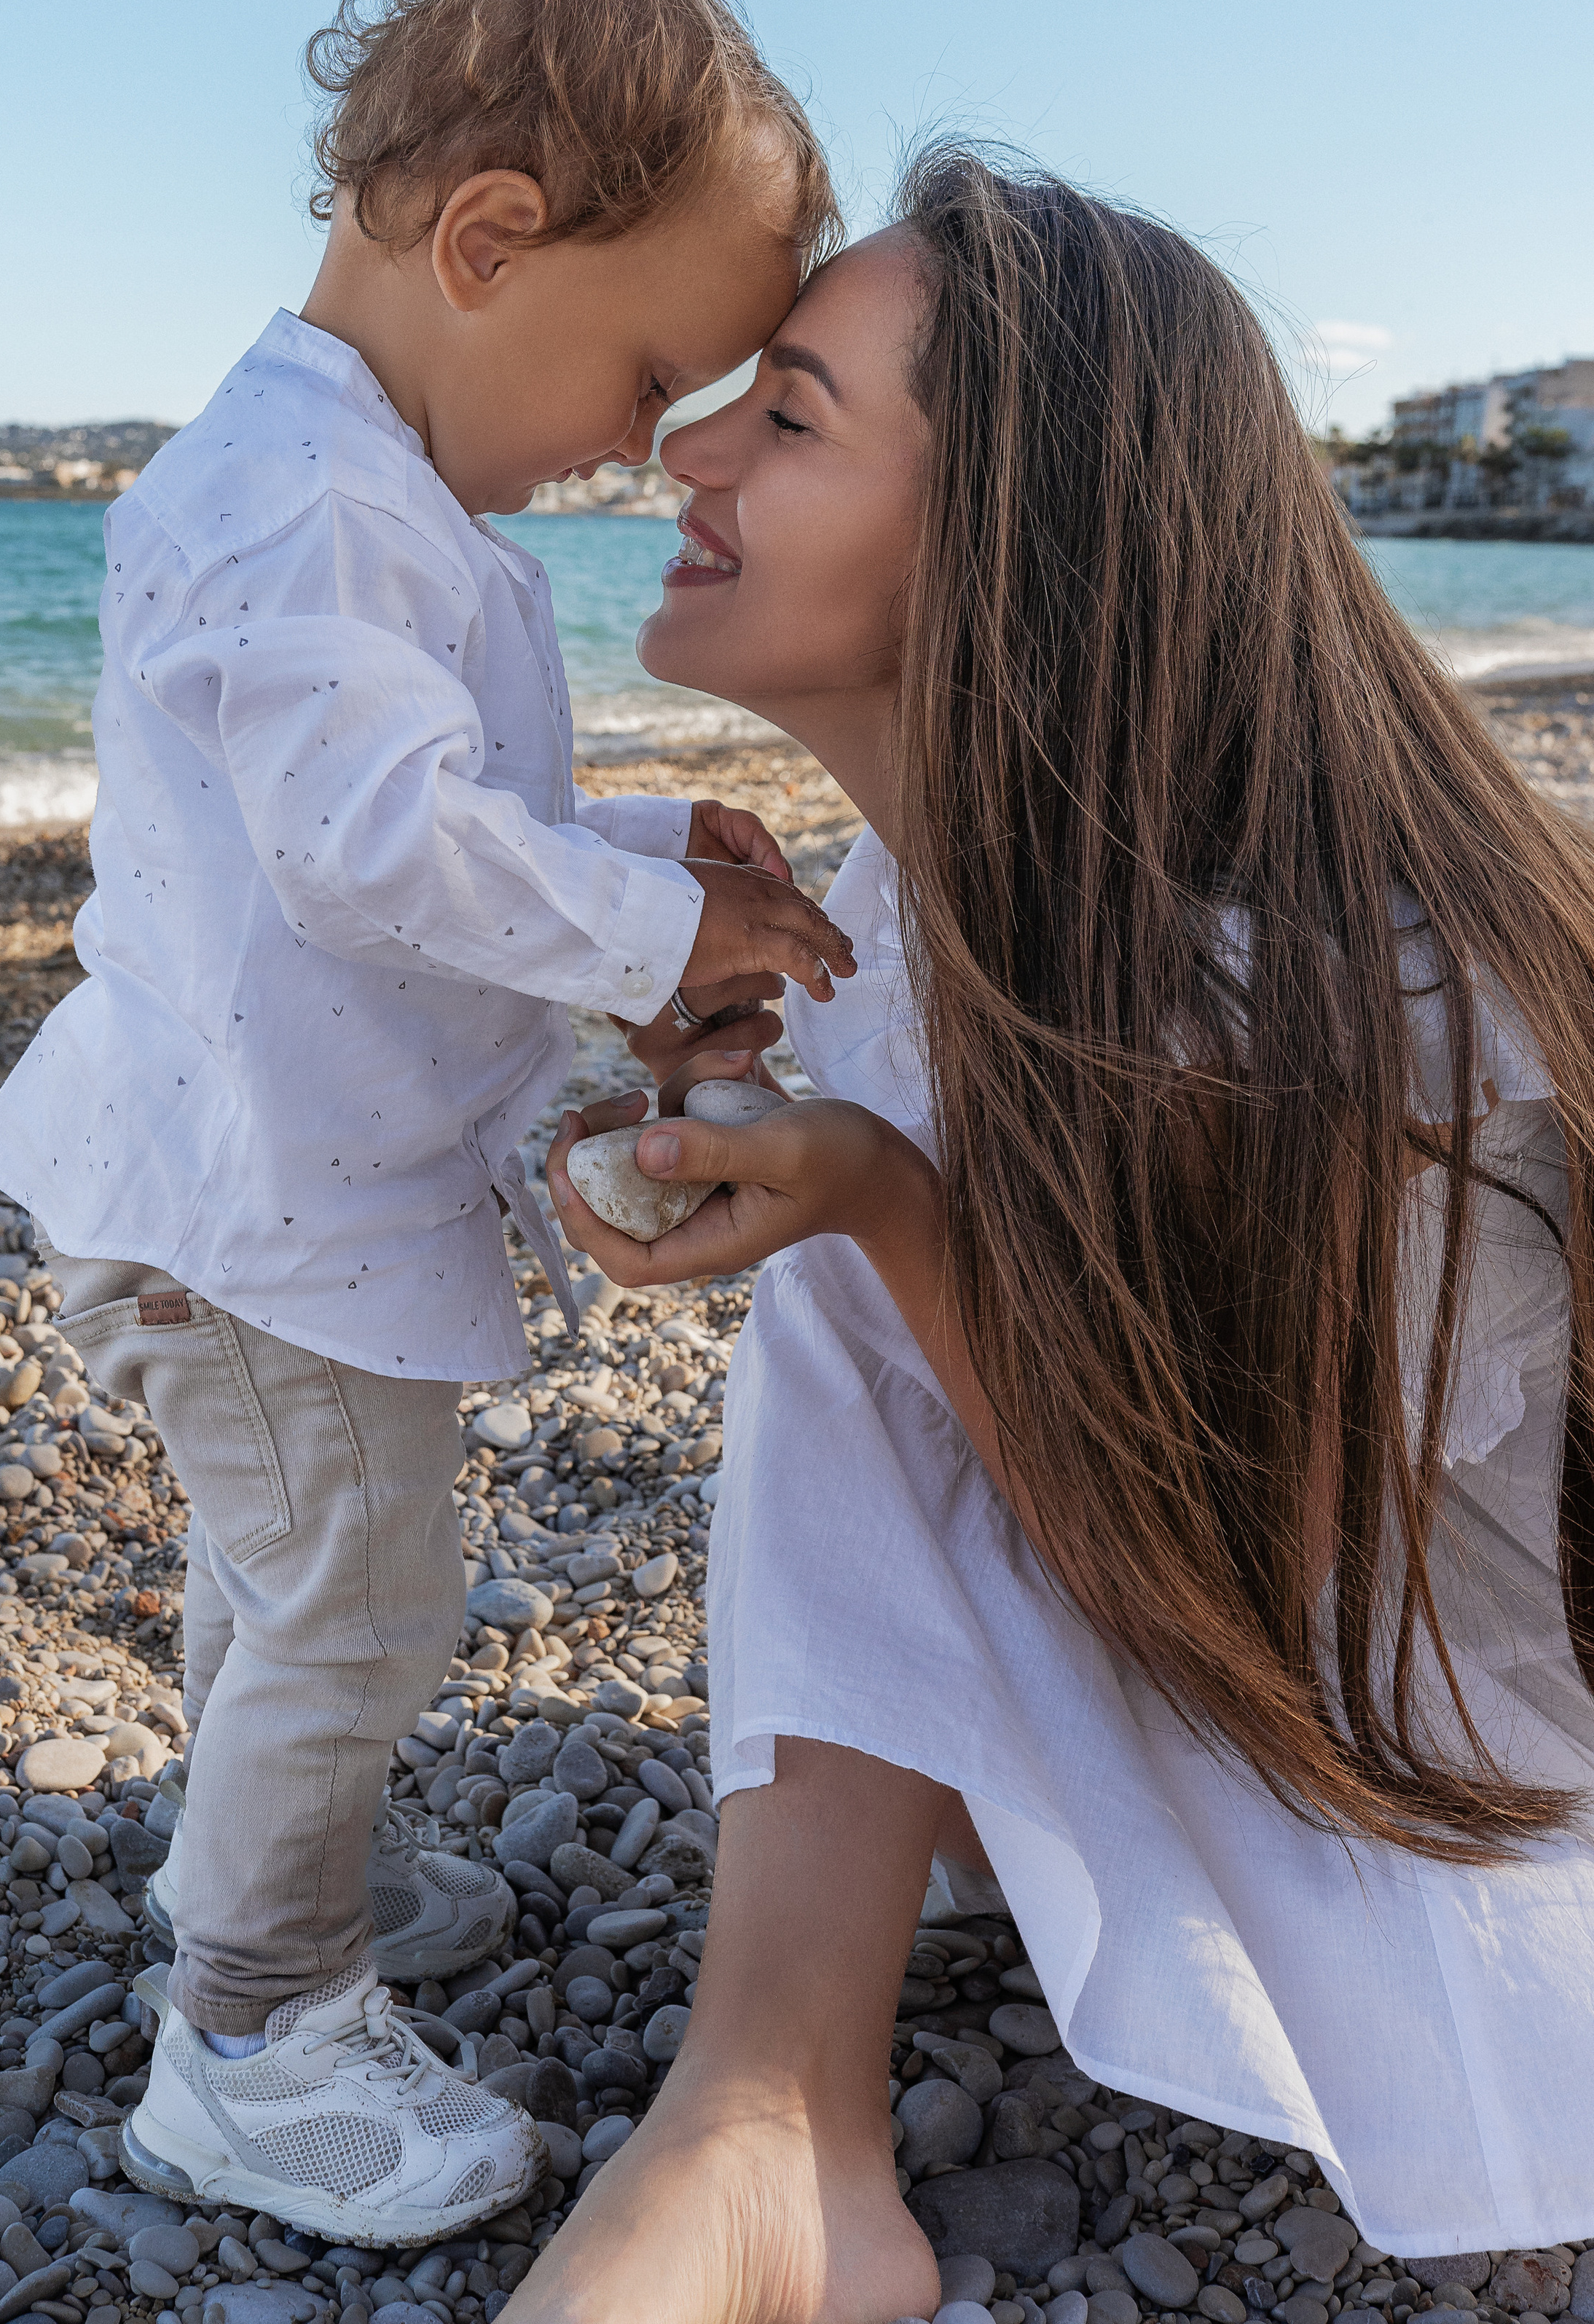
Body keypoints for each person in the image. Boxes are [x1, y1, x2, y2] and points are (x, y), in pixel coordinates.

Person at [519, 147, 1594, 2323]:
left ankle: (774, 2121)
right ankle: (763, 2121)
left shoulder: (1352, 997)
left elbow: (1254, 1614)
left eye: (790, 413)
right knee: (838, 1211)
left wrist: (874, 1203)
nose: (683, 443)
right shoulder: (952, 905)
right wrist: (720, 1125)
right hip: (1218, 1670)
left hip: (1429, 1781)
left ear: (1013, 546)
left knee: (852, 1245)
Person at [0, 0, 856, 2248]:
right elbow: (380, 843)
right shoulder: (296, 503)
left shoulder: (359, 488)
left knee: (293, 1579)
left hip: (264, 1179)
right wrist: (656, 920)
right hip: (249, 1208)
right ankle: (251, 2031)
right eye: (644, 369)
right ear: (489, 236)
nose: (631, 448)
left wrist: (670, 845)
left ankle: (285, 1844)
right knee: (357, 1595)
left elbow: (437, 814)